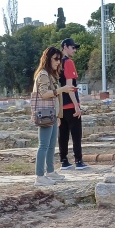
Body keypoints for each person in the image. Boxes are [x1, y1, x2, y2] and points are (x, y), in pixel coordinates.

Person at [32, 47, 76, 186]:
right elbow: (44, 94)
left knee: (51, 145)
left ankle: (50, 171)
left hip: (52, 114)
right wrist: (61, 89)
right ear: (48, 59)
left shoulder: (50, 75)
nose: (59, 62)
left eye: (59, 59)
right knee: (43, 145)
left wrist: (57, 115)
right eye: (56, 59)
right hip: (45, 114)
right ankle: (39, 176)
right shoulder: (43, 74)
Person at [58, 38, 88, 170]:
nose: (74, 50)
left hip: (60, 104)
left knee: (63, 134)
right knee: (76, 133)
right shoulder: (68, 62)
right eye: (73, 47)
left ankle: (63, 160)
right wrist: (76, 105)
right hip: (70, 103)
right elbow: (69, 86)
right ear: (65, 47)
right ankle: (78, 160)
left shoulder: (56, 62)